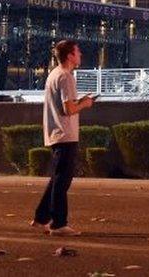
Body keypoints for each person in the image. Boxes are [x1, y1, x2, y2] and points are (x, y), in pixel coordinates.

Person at [31, 40, 94, 236]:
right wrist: (85, 103)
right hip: (65, 134)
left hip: (56, 133)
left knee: (57, 179)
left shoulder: (54, 75)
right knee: (62, 181)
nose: (80, 54)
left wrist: (80, 102)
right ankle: (58, 224)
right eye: (77, 52)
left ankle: (41, 217)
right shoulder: (66, 77)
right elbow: (69, 109)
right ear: (69, 56)